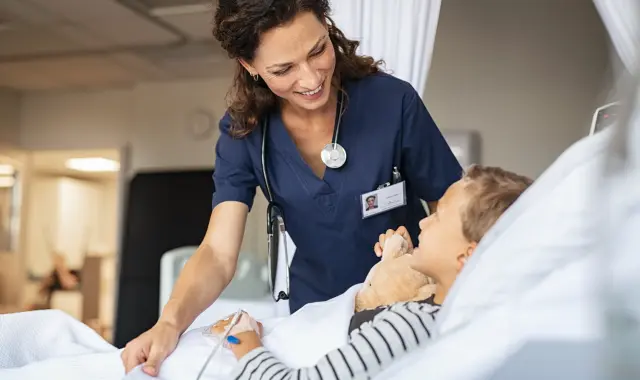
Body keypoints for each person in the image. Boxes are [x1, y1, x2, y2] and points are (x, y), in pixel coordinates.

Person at [121, 0, 462, 375]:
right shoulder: (244, 133)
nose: (312, 79)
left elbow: (458, 215)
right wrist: (169, 323)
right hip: (317, 315)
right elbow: (218, 253)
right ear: (249, 66)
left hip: (408, 306)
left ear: (328, 27)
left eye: (318, 50)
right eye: (283, 69)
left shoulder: (392, 102)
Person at [212, 165, 533, 380]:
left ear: (468, 256)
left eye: (439, 217)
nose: (423, 222)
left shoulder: (415, 323)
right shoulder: (452, 320)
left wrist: (245, 343)